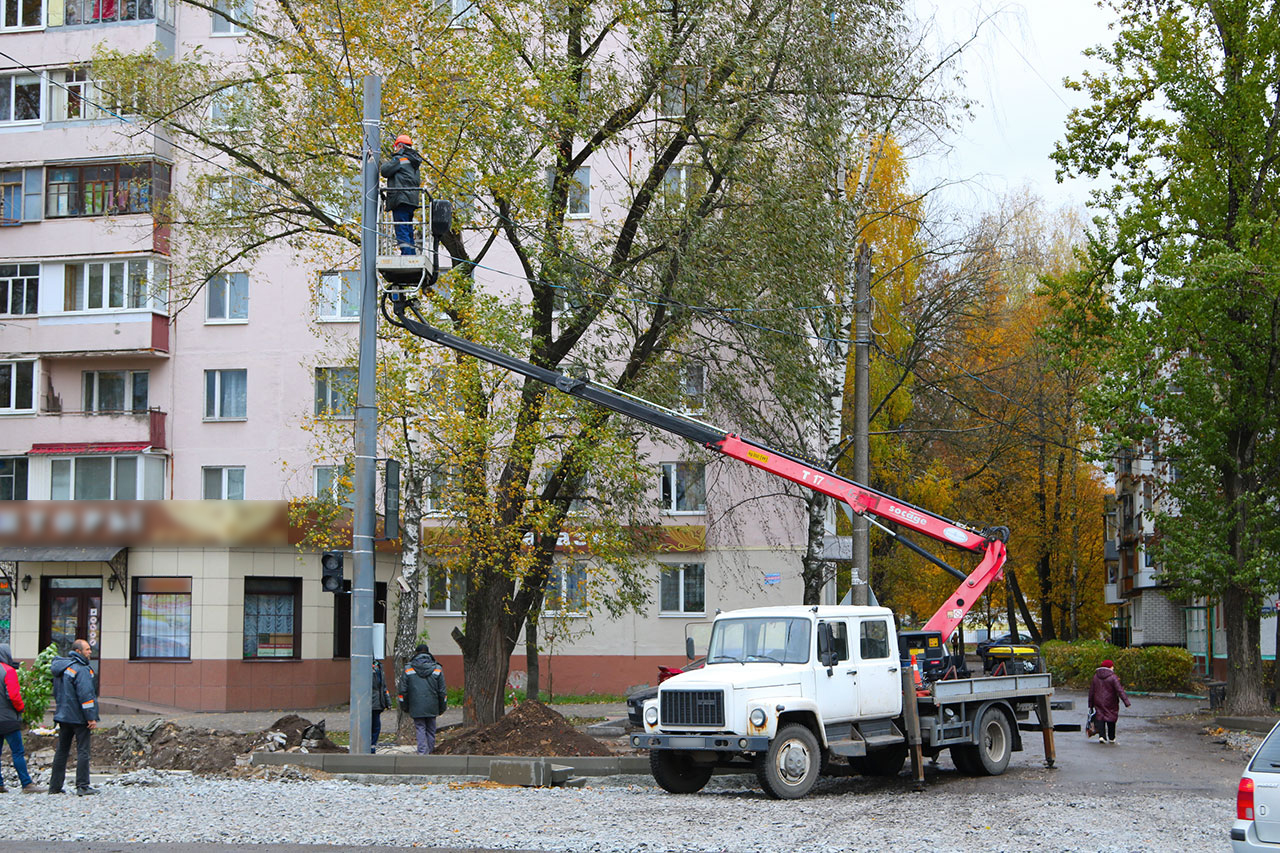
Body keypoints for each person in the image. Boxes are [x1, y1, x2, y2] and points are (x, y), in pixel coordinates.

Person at [49, 639, 99, 795]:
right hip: (79, 718)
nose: (90, 652)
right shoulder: (81, 669)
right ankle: (83, 785)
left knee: (62, 751)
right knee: (83, 751)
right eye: (87, 650)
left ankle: (55, 787)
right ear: (78, 652)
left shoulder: (63, 667)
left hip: (64, 716)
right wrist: (90, 717)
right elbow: (86, 696)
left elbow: (57, 693)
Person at [0, 645, 46, 793]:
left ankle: (0, 784)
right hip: (8, 719)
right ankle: (26, 784)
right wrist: (21, 709)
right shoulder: (9, 671)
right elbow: (13, 695)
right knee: (17, 752)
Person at [397, 643, 446, 755]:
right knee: (431, 729)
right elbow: (442, 691)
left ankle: (422, 753)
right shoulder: (437, 668)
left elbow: (402, 690)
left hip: (416, 705)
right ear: (428, 652)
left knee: (420, 728)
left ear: (416, 653)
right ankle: (430, 751)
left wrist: (404, 705)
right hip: (432, 705)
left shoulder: (408, 668)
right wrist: (442, 707)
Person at [379, 134, 422, 256]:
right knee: (408, 228)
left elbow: (385, 171)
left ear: (401, 146)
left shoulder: (400, 159)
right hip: (411, 200)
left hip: (401, 199)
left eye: (396, 147)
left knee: (401, 228)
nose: (395, 150)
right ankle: (411, 253)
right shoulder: (414, 162)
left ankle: (407, 254)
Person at [1088, 658, 1131, 745]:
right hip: (1111, 701)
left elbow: (1091, 691)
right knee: (1111, 718)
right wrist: (1126, 702)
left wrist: (1090, 704)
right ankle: (1111, 737)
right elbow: (1120, 690)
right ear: (1110, 667)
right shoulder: (1113, 677)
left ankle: (1102, 736)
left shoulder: (1096, 677)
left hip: (1098, 700)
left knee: (1100, 717)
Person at [370, 658, 391, 753]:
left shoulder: (379, 668)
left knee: (376, 725)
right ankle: (369, 745)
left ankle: (372, 745)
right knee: (371, 725)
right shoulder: (368, 668)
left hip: (378, 702)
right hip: (370, 702)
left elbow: (384, 687)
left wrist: (388, 702)